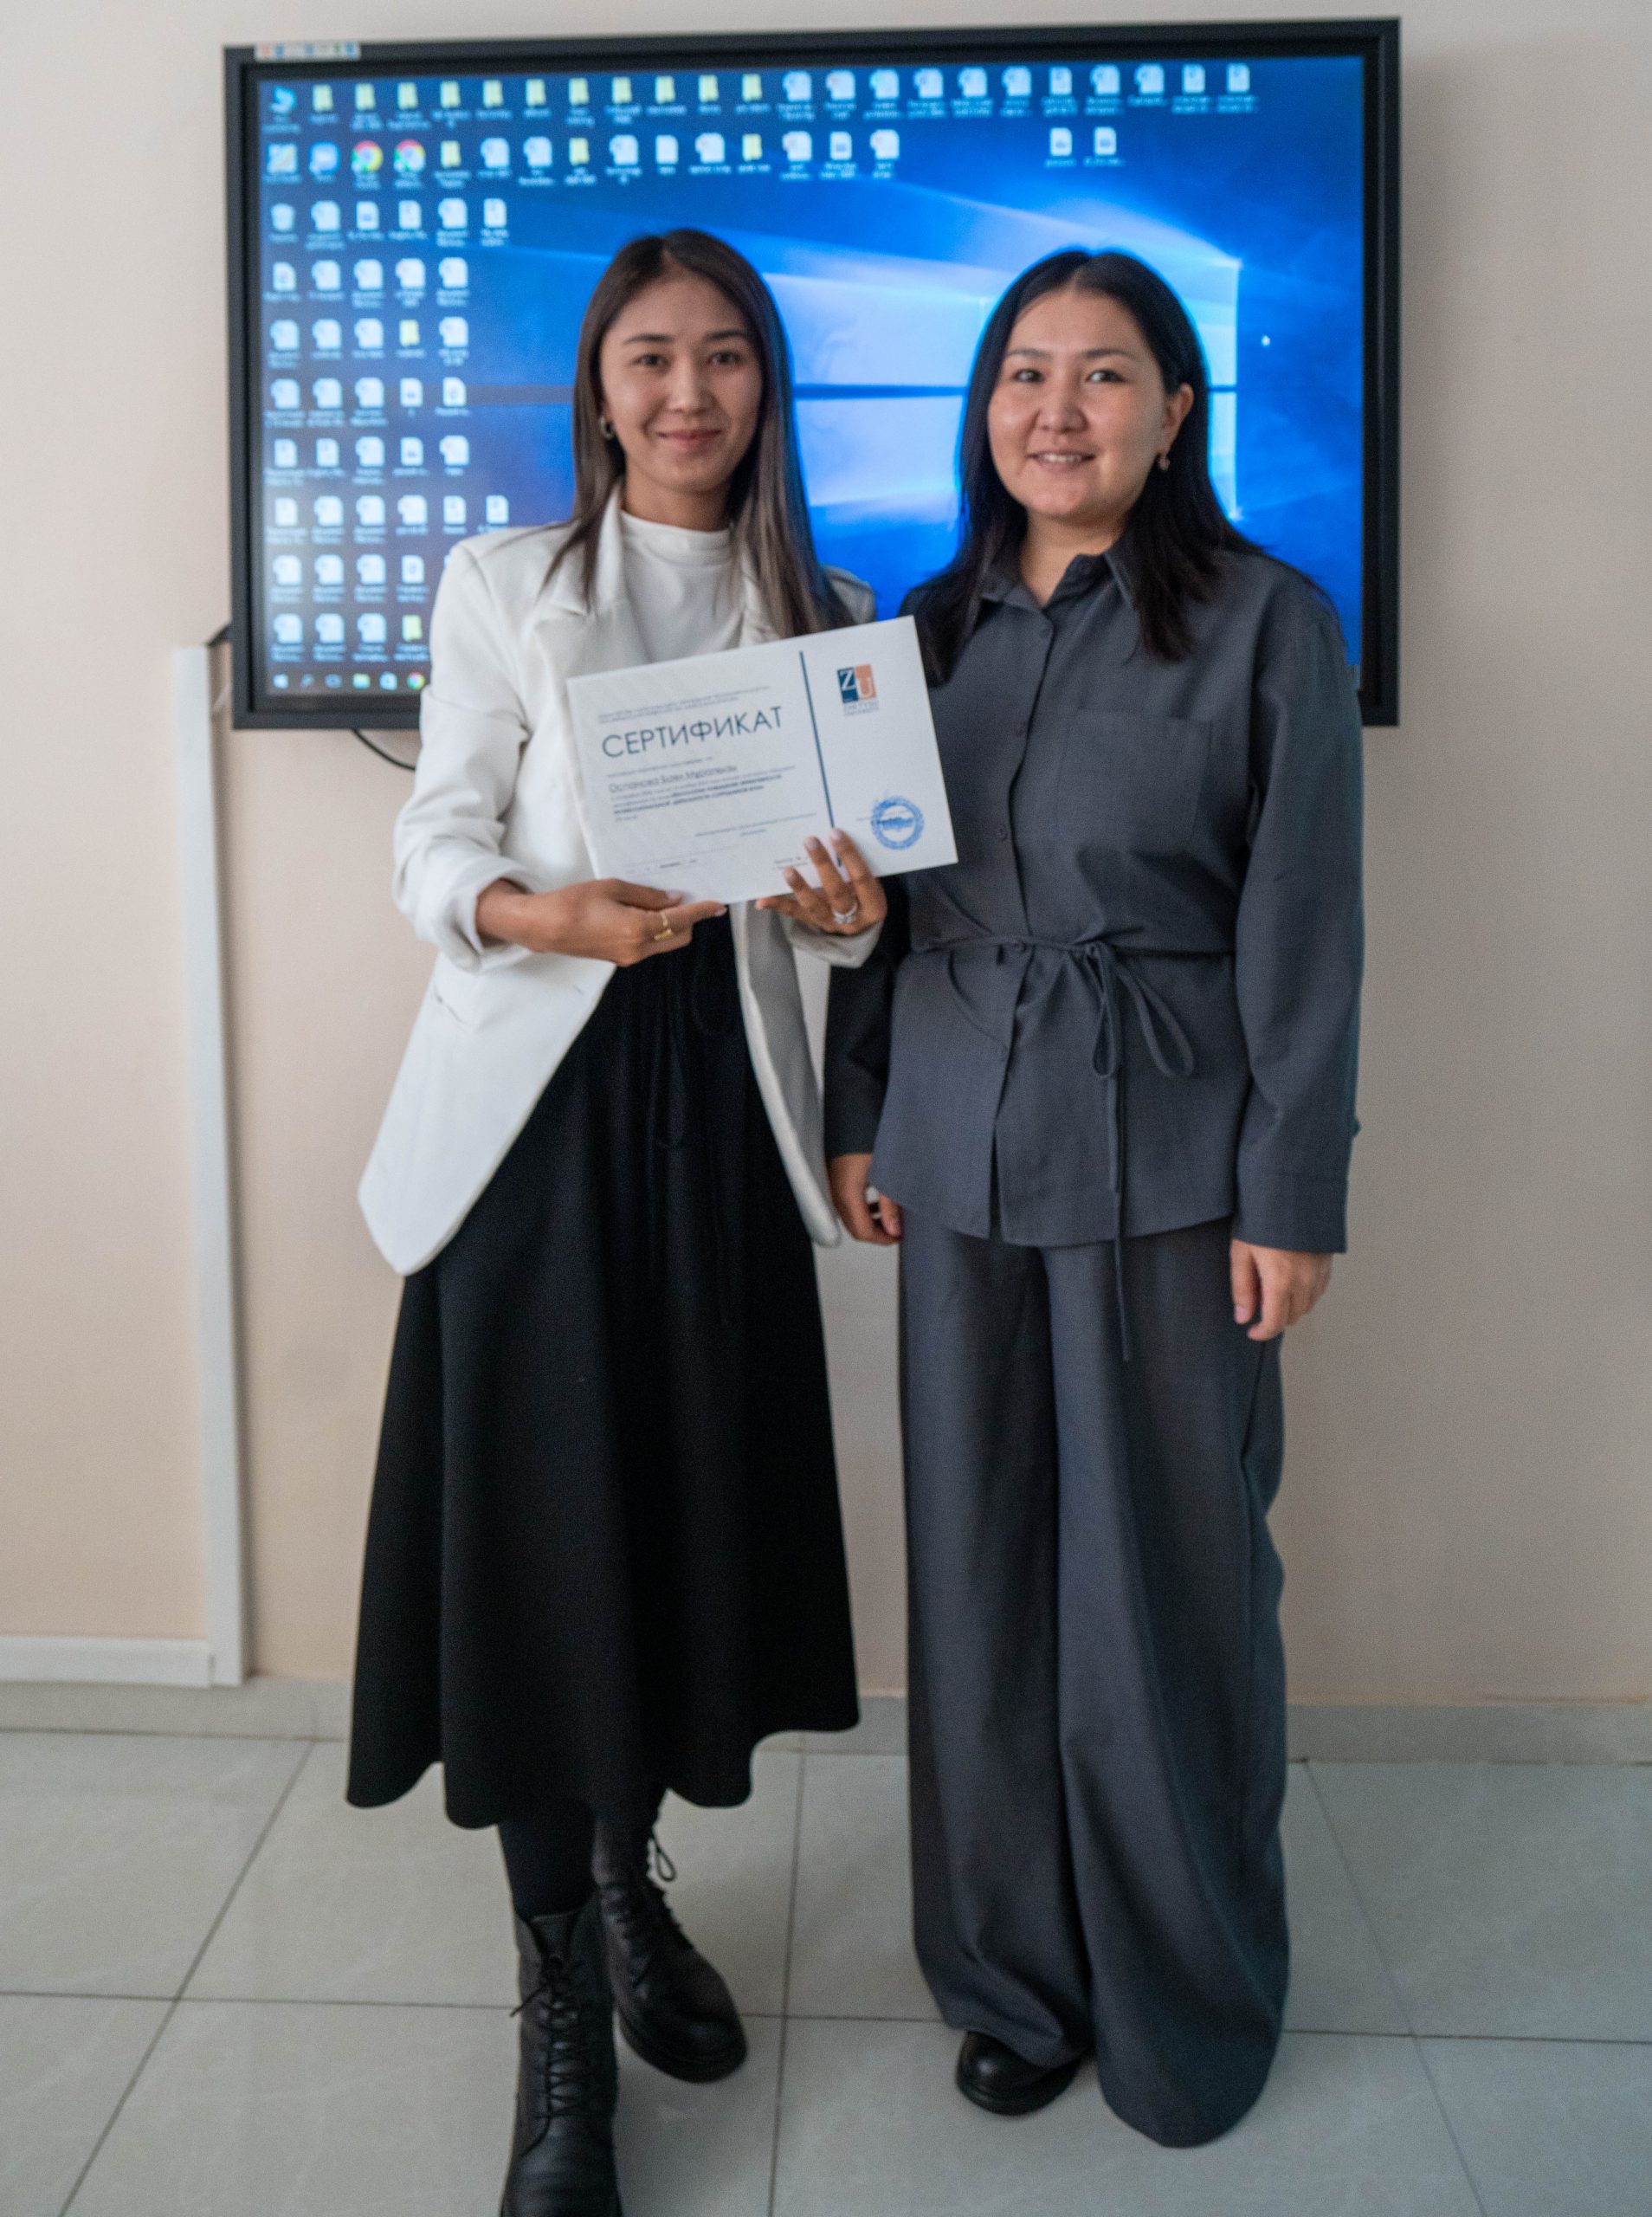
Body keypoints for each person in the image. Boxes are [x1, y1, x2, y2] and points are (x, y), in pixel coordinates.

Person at [348, 229, 887, 2217]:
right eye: (651, 356)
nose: (687, 392)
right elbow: (434, 837)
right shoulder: (507, 583)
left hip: (718, 1117)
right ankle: (560, 2001)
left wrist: (849, 915)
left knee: (673, 1524)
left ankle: (624, 1876)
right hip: (539, 1123)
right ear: (597, 385)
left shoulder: (831, 613)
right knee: (542, 1546)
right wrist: (535, 910)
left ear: (766, 385)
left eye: (724, 356)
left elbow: (843, 915)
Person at [825, 249, 1363, 2149]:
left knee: (1166, 1592)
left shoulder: (1268, 623)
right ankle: (1012, 1979)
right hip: (958, 1141)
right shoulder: (925, 630)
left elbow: (1307, 929)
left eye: (1105, 374)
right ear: (984, 409)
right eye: (1024, 374)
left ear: (1175, 411)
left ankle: (1183, 1993)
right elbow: (881, 905)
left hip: (1175, 1159)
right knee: (979, 1583)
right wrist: (860, 1106)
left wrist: (1292, 1192)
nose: (1058, 410)